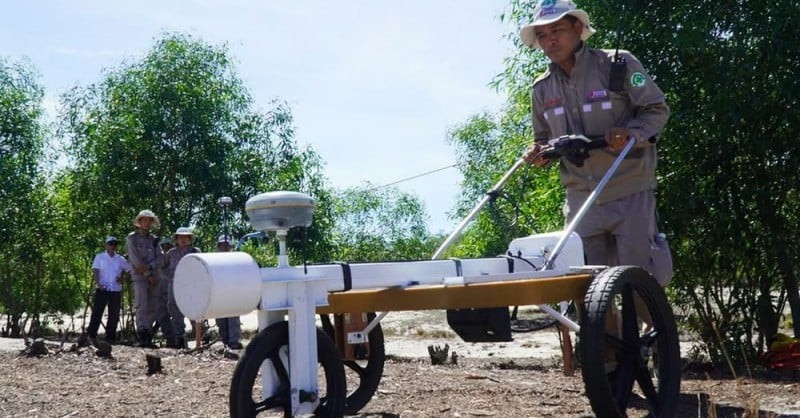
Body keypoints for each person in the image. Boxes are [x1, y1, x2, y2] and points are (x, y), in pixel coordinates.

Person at [520, 0, 671, 279]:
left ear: (578, 28)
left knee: (639, 282)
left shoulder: (617, 64)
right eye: (542, 35)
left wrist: (630, 134)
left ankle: (650, 323)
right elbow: (542, 140)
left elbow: (656, 110)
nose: (550, 40)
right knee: (584, 287)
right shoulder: (541, 88)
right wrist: (538, 153)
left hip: (630, 190)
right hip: (580, 198)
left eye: (557, 30)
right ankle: (599, 325)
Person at [126, 209, 165, 348]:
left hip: (155, 276)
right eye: (145, 220)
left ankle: (148, 334)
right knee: (141, 304)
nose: (147, 223)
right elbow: (136, 261)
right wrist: (147, 274)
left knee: (153, 305)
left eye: (150, 220)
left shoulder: (154, 240)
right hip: (140, 277)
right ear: (139, 222)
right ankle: (142, 334)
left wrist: (151, 267)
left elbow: (160, 257)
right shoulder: (132, 238)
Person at [84, 236, 131, 345]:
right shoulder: (99, 257)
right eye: (110, 244)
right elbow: (95, 270)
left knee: (114, 314)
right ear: (106, 245)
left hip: (115, 289)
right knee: (97, 312)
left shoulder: (120, 259)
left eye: (115, 244)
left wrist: (122, 278)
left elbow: (129, 269)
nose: (113, 246)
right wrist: (98, 283)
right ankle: (91, 335)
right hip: (102, 288)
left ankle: (110, 337)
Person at [161, 227, 200, 348]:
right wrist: (171, 278)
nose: (183, 240)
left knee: (194, 310)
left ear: (190, 239)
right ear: (176, 239)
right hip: (174, 285)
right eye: (180, 237)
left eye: (186, 237)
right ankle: (180, 338)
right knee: (175, 310)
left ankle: (200, 336)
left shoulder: (195, 251)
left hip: (191, 285)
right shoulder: (171, 253)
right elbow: (162, 268)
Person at [214, 235, 243, 350]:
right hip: (219, 293)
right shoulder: (214, 260)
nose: (225, 247)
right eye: (222, 245)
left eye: (227, 245)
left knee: (233, 319)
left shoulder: (236, 258)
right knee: (221, 320)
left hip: (233, 293)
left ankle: (234, 343)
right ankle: (225, 343)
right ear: (219, 246)